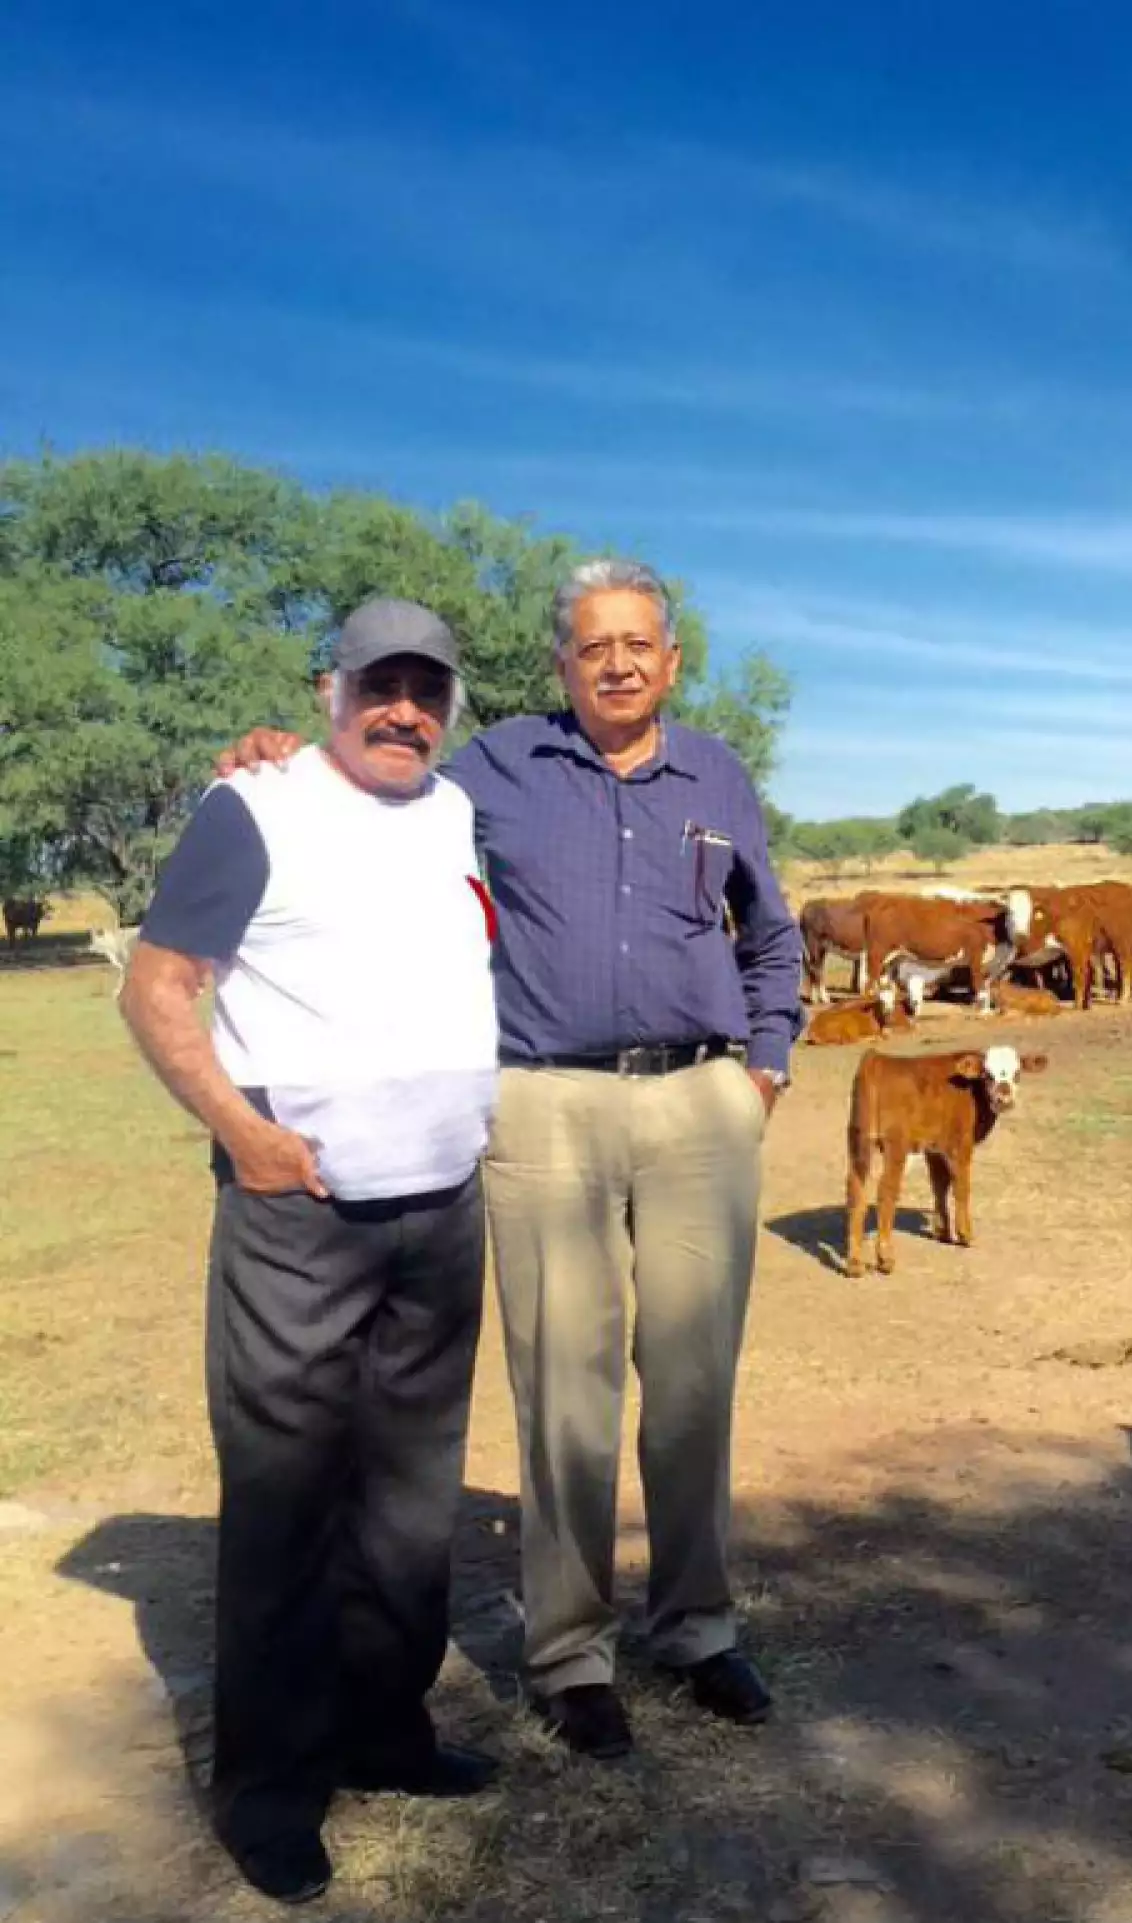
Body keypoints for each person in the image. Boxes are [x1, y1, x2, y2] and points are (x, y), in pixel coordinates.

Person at [221, 558, 803, 1763]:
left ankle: (695, 1625)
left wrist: (764, 1066)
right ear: (561, 667)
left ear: (673, 660)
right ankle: (569, 1649)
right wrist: (279, 750)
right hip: (541, 1104)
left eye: (638, 644)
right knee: (564, 1390)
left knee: (693, 1384)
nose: (618, 664)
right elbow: (368, 773)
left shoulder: (719, 775)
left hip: (701, 1100)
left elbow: (772, 934)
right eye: (593, 647)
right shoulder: (492, 771)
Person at [122, 599, 501, 1906]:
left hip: (443, 1207)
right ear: (331, 687)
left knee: (408, 1497)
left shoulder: (455, 808)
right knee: (287, 1503)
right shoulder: (259, 804)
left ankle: (385, 1732)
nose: (404, 707)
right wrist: (240, 1127)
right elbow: (158, 984)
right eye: (379, 684)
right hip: (301, 1216)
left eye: (427, 687)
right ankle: (271, 1790)